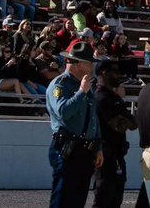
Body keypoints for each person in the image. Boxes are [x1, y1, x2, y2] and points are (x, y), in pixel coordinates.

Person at [45, 40, 103, 208]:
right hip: (67, 149)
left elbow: (93, 118)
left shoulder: (85, 84)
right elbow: (63, 112)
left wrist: (98, 146)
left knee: (78, 200)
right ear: (78, 64)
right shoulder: (60, 85)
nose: (92, 66)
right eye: (89, 62)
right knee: (63, 199)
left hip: (85, 150)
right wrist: (81, 92)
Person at [93, 59, 135, 208]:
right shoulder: (100, 98)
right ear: (104, 73)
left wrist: (128, 120)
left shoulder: (115, 98)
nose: (119, 75)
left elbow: (132, 123)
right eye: (115, 72)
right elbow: (120, 125)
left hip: (117, 154)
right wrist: (128, 120)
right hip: (105, 156)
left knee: (116, 199)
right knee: (104, 198)